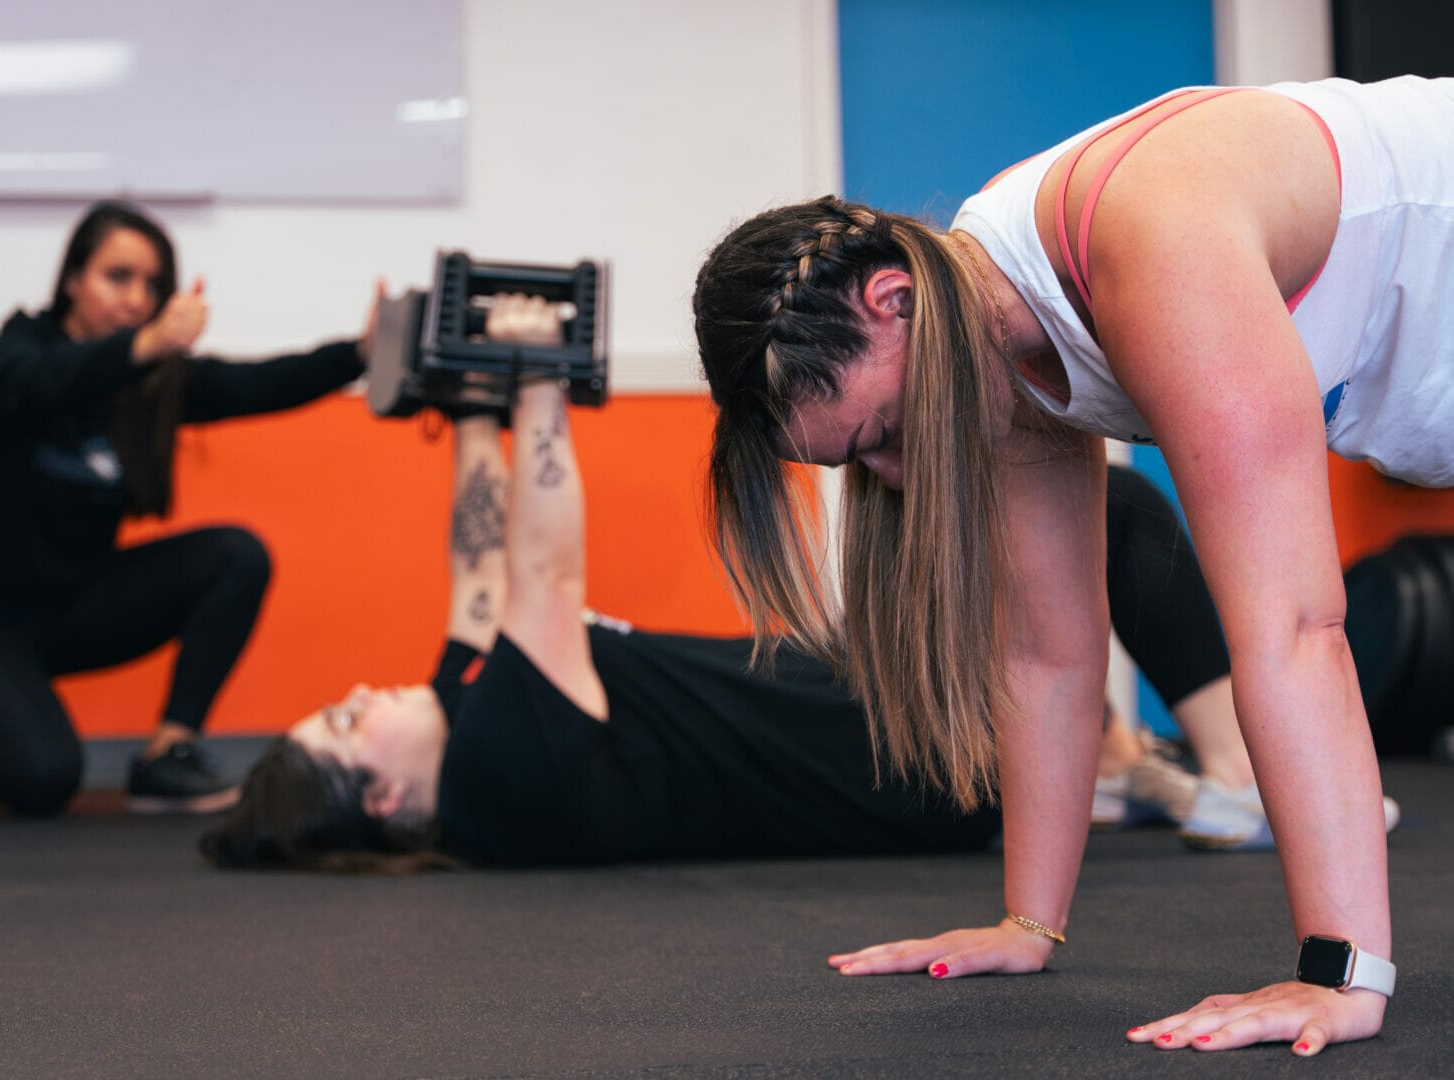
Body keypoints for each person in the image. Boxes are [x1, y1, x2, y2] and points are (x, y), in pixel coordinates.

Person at [692, 75, 1451, 1055]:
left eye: (879, 433)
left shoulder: (1152, 240)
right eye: (858, 464)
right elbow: (1048, 654)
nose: (894, 477)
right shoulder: (990, 326)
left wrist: (1340, 976)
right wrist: (1027, 924)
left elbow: (1296, 628)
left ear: (893, 300)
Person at [200, 295, 1300, 872]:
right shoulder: (504, 754)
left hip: (885, 718)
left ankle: (1121, 772)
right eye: (347, 724)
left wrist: (477, 409)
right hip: (911, 759)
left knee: (1020, 554)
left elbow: (480, 563)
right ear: (383, 798)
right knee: (1111, 508)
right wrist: (536, 381)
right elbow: (540, 566)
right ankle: (1230, 777)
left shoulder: (471, 725)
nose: (362, 694)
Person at [0, 200, 374, 818]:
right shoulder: (3, 363)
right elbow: (53, 379)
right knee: (43, 781)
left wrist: (360, 353)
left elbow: (260, 384)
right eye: (117, 276)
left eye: (151, 285)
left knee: (235, 556)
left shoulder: (148, 384)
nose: (136, 299)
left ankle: (168, 754)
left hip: (65, 609)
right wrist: (145, 345)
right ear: (73, 280)